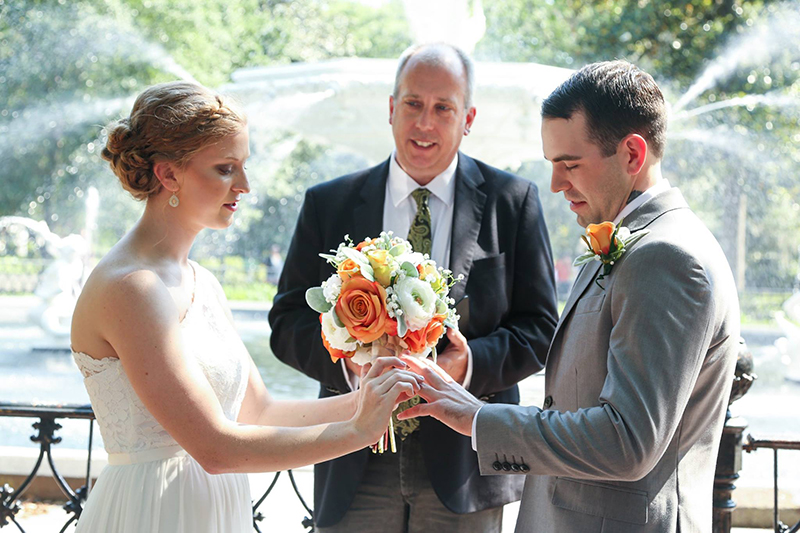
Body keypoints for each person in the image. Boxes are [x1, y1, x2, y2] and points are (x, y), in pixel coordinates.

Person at [400, 60, 741, 532]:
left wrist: (479, 418)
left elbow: (627, 440)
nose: (557, 184)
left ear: (632, 155)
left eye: (570, 164)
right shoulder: (634, 240)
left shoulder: (667, 256)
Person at [69, 81, 422, 533]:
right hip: (154, 513)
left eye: (243, 166)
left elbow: (261, 415)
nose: (244, 185)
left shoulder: (205, 283)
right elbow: (216, 449)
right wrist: (358, 433)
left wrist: (370, 398)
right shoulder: (131, 288)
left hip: (215, 511)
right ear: (168, 175)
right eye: (225, 168)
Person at [269, 43, 559, 532]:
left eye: (443, 108)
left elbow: (541, 328)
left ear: (467, 118)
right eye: (413, 104)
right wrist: (352, 365)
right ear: (390, 108)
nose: (425, 123)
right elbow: (286, 322)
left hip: (466, 465)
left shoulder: (514, 201)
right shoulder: (329, 203)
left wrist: (467, 365)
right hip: (351, 455)